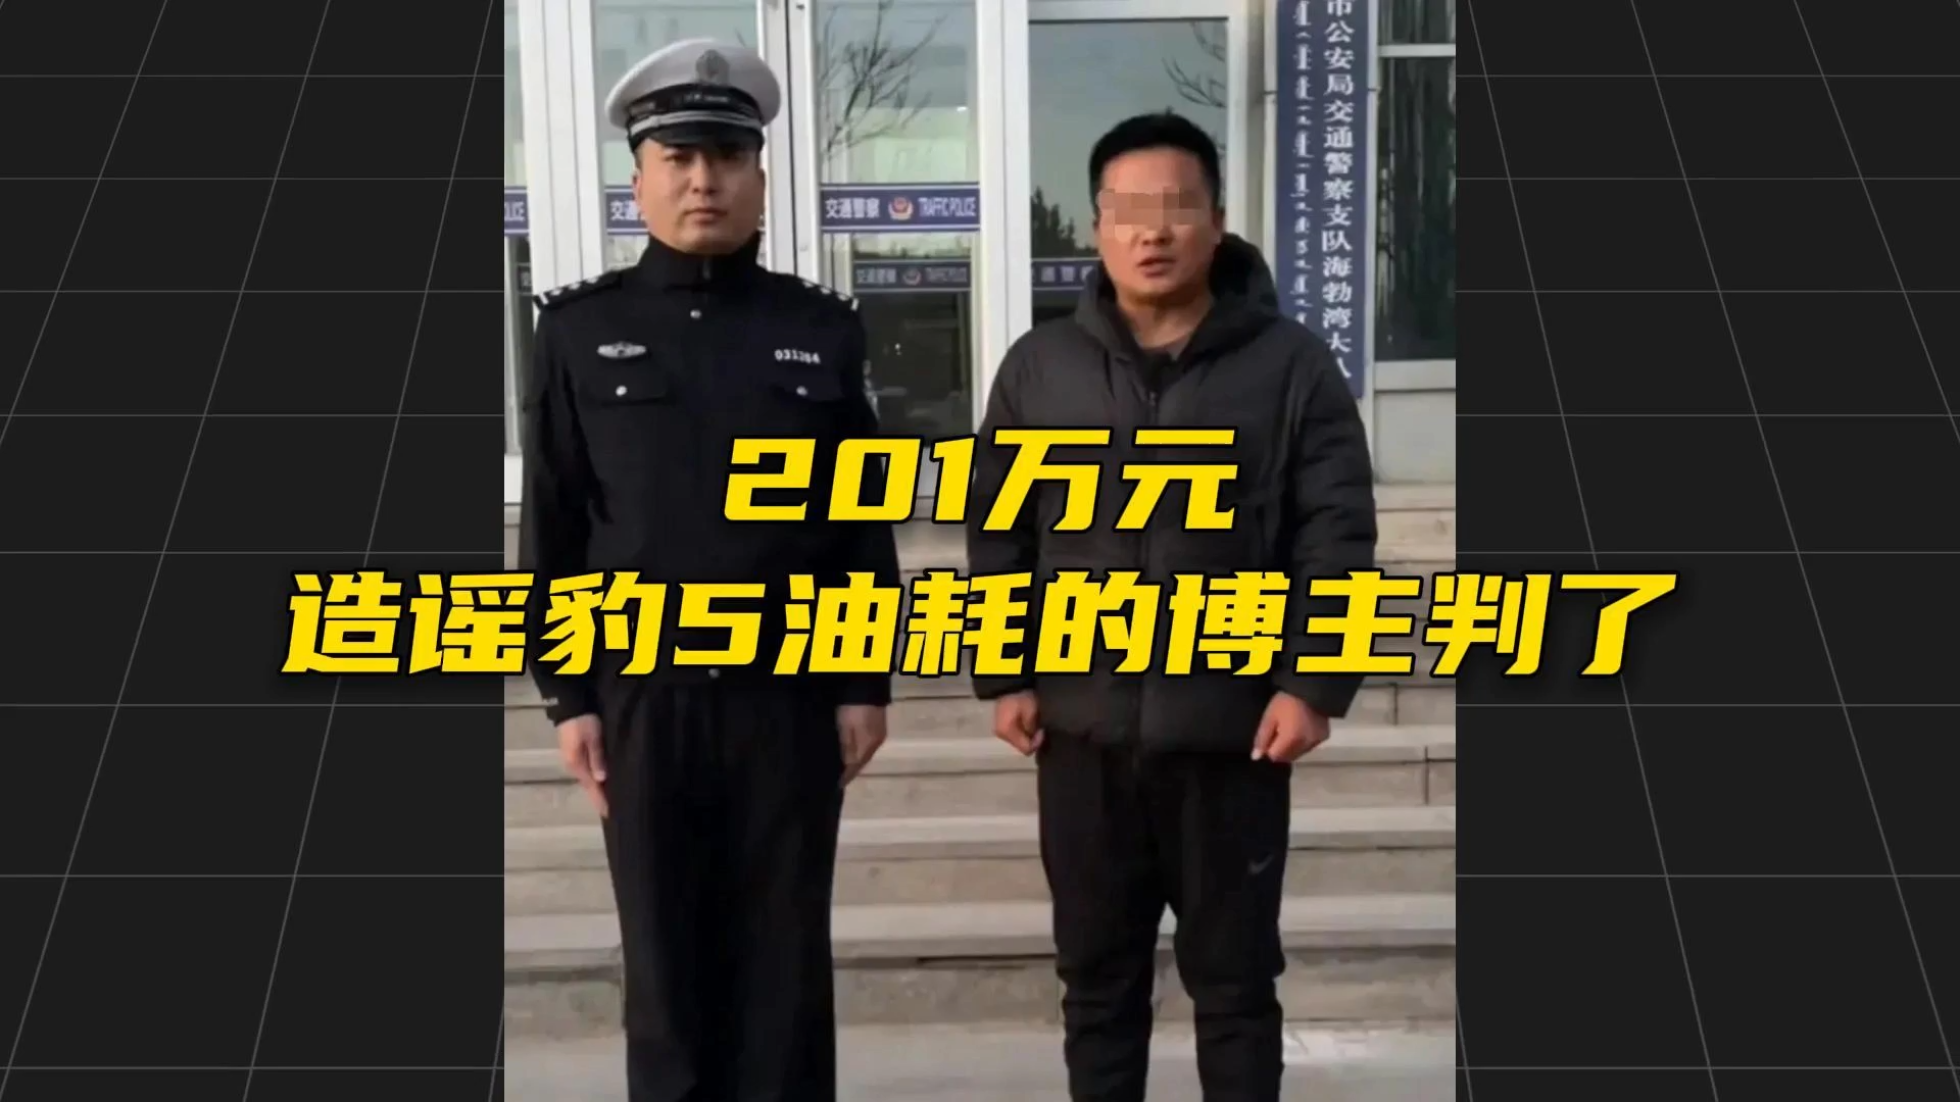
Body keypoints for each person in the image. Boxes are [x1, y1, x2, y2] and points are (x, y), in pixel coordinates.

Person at [966, 112, 1378, 1102]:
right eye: (1128, 211)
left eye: (1177, 207)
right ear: (1096, 228)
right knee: (1096, 984)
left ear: (1217, 222)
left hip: (1232, 736)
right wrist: (1005, 671)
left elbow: (1336, 535)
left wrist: (1314, 684)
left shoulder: (1290, 367)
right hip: (1083, 736)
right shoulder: (1039, 369)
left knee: (1234, 987)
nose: (1152, 232)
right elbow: (999, 533)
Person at [518, 38, 899, 1102]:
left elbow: (857, 524)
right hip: (644, 695)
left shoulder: (818, 329)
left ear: (760, 179)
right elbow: (554, 525)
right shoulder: (581, 332)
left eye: (727, 157)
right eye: (678, 157)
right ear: (638, 179)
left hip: (788, 693)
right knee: (664, 966)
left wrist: (863, 680)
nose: (703, 180)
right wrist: (568, 696)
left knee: (785, 965)